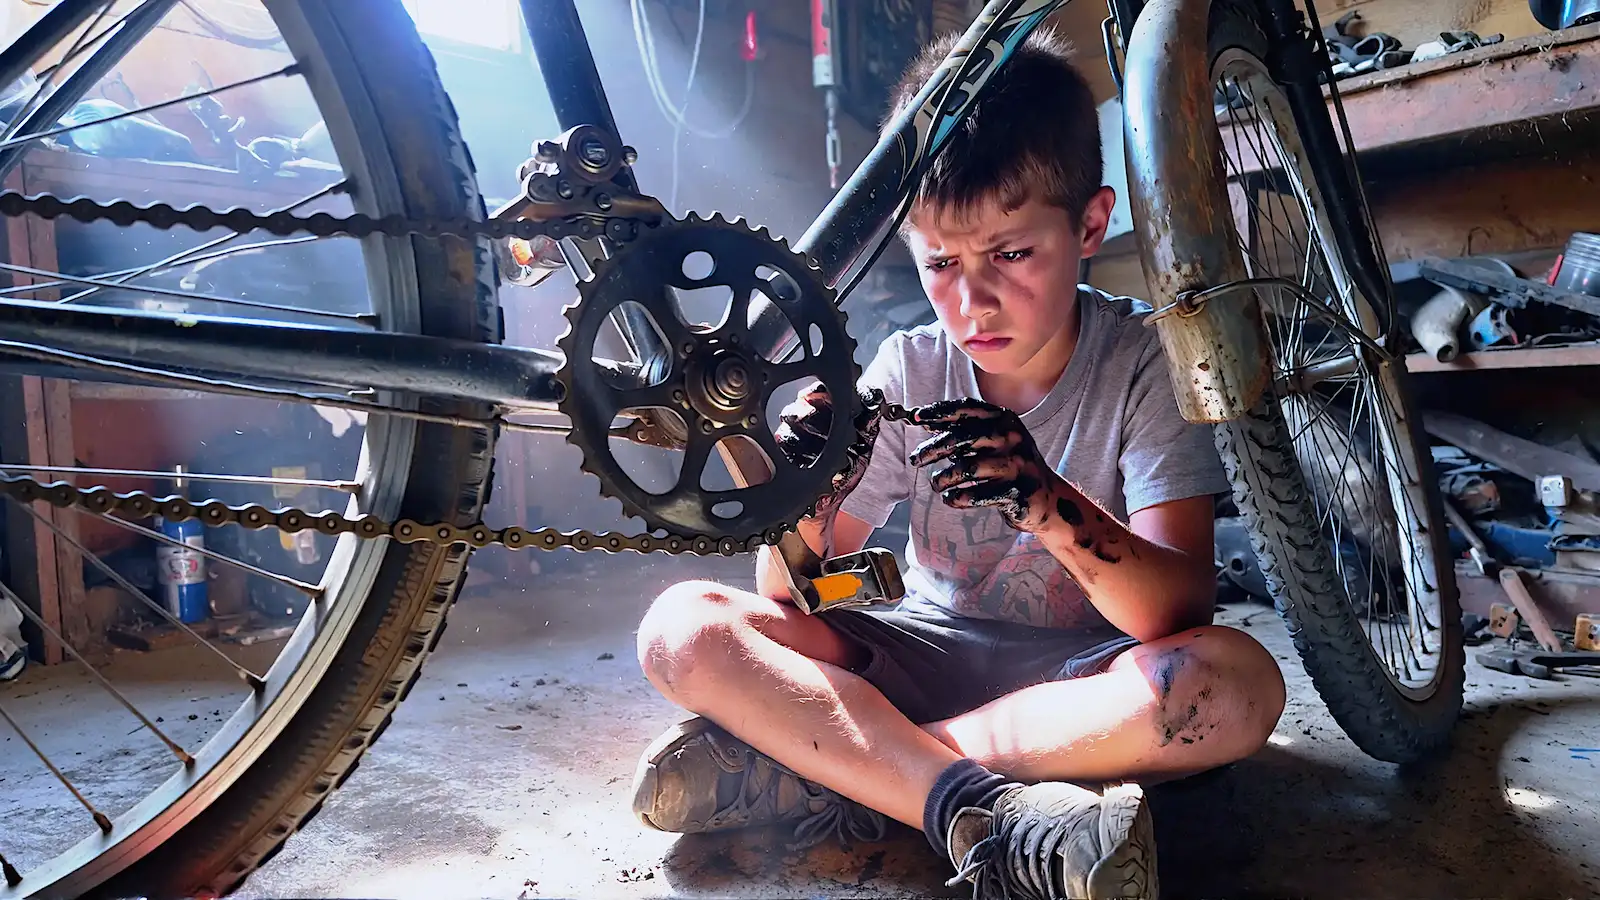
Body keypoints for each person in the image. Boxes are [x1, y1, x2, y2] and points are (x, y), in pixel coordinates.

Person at [629, 27, 1286, 900]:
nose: (972, 300)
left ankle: (843, 765)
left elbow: (1175, 608)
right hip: (924, 650)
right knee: (683, 627)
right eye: (940, 261)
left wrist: (1047, 504)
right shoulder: (908, 369)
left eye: (1011, 254)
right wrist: (810, 497)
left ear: (1091, 224)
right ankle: (969, 804)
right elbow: (797, 595)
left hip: (1081, 680)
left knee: (1236, 683)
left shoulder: (1140, 363)